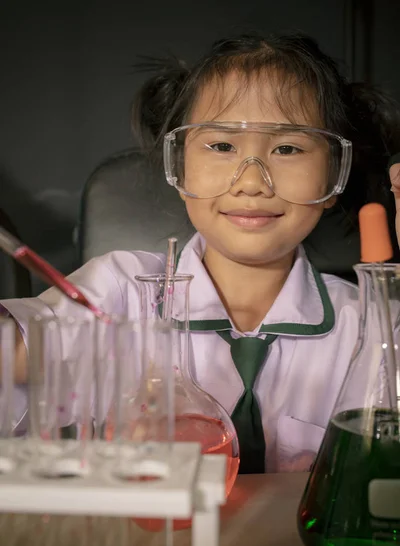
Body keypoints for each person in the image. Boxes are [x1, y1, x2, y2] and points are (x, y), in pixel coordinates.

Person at [4, 32, 400, 474]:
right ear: (179, 163)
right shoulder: (118, 289)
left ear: (334, 176)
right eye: (222, 146)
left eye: (287, 148)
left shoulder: (371, 324)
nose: (252, 182)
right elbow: (14, 357)